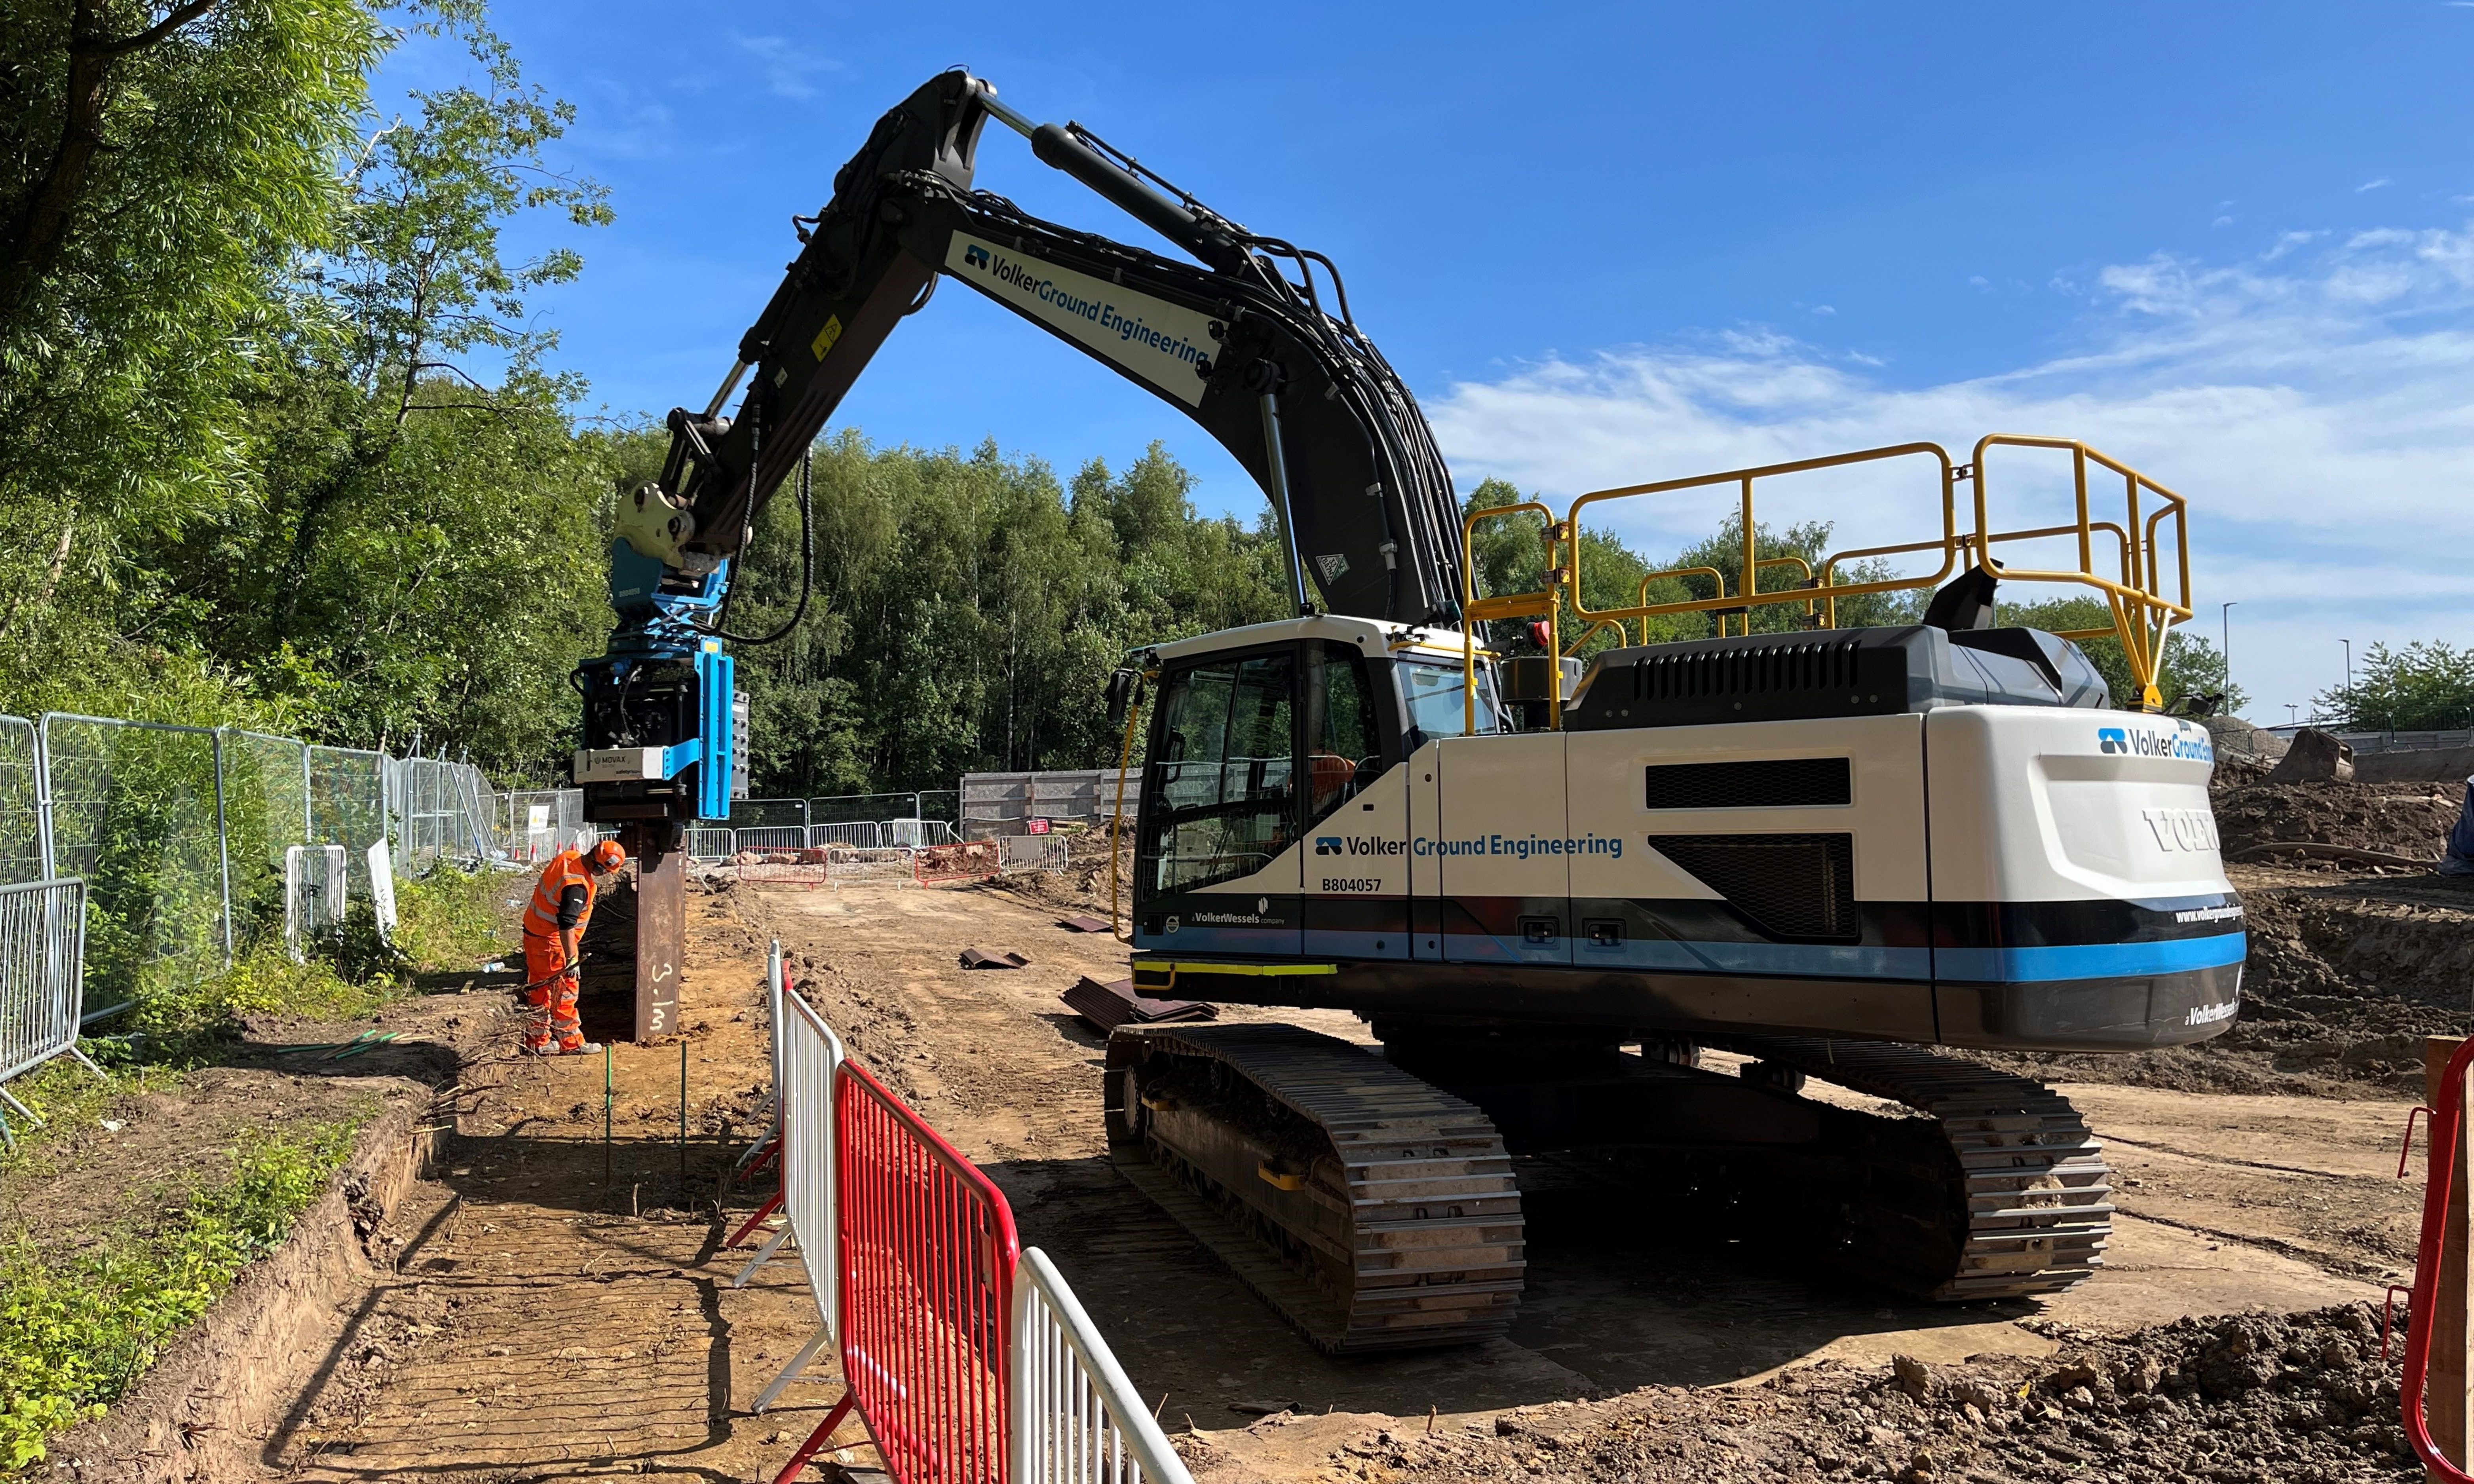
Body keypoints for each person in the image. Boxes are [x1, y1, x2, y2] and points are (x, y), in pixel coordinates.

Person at [521, 838, 627, 1054]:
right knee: (564, 992)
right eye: (605, 871)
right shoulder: (577, 886)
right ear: (600, 867)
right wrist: (572, 960)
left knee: (539, 990)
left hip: (535, 934)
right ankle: (572, 1044)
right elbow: (567, 924)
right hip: (553, 943)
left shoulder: (568, 858)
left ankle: (538, 1041)